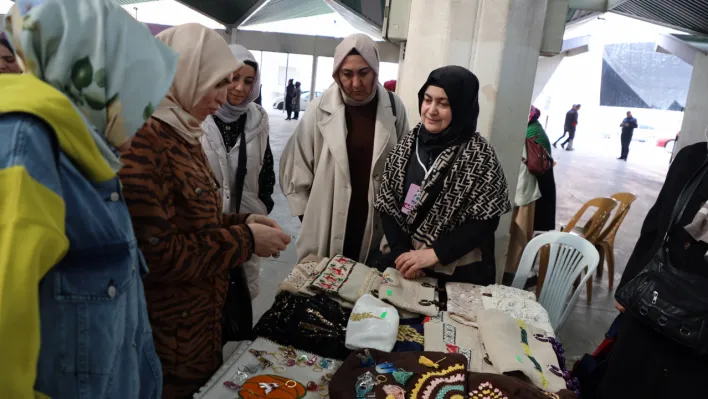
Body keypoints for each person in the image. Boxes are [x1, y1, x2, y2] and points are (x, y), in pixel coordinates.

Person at [0, 0, 178, 397]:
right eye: (139, 99)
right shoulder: (25, 150)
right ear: (99, 84)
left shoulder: (92, 163)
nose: (145, 120)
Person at [119, 24, 291, 398]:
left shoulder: (183, 130)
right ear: (182, 74)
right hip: (167, 337)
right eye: (215, 83)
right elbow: (156, 255)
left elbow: (195, 219)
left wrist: (243, 220)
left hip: (197, 326)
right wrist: (244, 240)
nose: (224, 96)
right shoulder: (144, 141)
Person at [374, 66, 511, 284]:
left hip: (455, 271)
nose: (431, 110)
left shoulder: (479, 155)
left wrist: (434, 254)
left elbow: (485, 220)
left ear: (462, 107)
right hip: (404, 267)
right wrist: (403, 255)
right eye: (427, 100)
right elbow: (388, 204)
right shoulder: (407, 145)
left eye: (443, 103)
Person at [280, 33, 409, 262]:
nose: (356, 83)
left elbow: (405, 168)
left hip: (376, 221)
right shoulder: (318, 109)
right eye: (347, 74)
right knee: (323, 287)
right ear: (336, 73)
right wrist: (311, 220)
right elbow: (297, 169)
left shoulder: (394, 107)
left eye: (364, 73)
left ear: (375, 71)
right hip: (326, 217)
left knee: (365, 289)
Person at [599, 140, 708, 398]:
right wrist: (630, 284)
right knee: (623, 383)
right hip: (654, 305)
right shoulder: (694, 158)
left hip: (699, 340)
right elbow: (657, 225)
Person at [201, 44, 274, 340]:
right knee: (208, 302)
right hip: (210, 225)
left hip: (248, 221)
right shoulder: (201, 116)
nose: (240, 89)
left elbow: (265, 167)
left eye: (248, 81)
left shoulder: (258, 118)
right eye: (233, 79)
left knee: (241, 297)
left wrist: (263, 205)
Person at [527, 106, 556, 231]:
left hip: (539, 180)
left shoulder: (530, 132)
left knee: (537, 218)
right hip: (543, 177)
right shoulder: (534, 127)